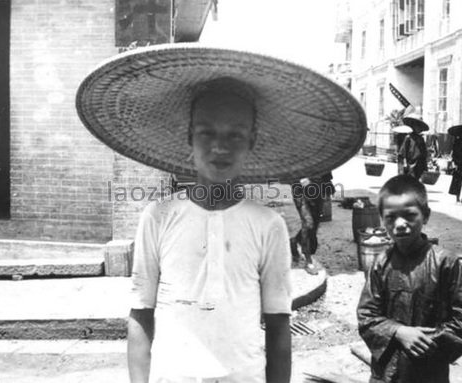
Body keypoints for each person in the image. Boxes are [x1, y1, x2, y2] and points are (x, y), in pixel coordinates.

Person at [76, 45, 366, 383]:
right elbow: (141, 313)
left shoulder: (267, 225)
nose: (219, 147)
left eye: (235, 135)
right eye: (207, 132)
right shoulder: (158, 216)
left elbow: (277, 323)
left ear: (252, 140)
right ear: (189, 136)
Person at [357, 175, 462, 383]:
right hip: (386, 372)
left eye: (409, 215)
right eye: (390, 217)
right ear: (381, 219)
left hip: (428, 371)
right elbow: (366, 316)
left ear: (425, 216)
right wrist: (398, 331)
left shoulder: (444, 262)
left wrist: (424, 341)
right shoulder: (381, 263)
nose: (400, 224)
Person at [290, 172, 333, 275]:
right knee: (308, 223)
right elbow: (287, 173)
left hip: (318, 191)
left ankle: (294, 241)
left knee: (314, 226)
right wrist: (300, 179)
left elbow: (327, 175)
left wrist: (327, 188)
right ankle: (308, 260)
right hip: (300, 192)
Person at [397, 114, 429, 179]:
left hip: (419, 165)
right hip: (410, 165)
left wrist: (425, 167)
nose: (419, 128)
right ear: (413, 127)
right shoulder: (408, 138)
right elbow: (402, 154)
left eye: (419, 127)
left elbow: (424, 154)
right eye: (417, 126)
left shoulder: (421, 139)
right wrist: (404, 165)